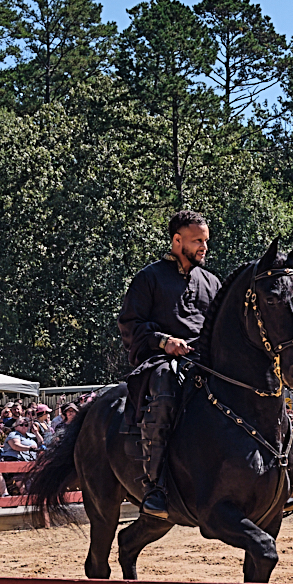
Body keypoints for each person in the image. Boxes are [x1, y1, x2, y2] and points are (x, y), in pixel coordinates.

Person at [116, 209, 222, 518]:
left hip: (205, 360)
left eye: (205, 240)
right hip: (162, 360)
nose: (203, 247)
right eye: (197, 241)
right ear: (177, 241)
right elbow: (129, 325)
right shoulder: (148, 278)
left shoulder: (211, 282)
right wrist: (165, 342)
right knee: (165, 385)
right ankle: (156, 486)